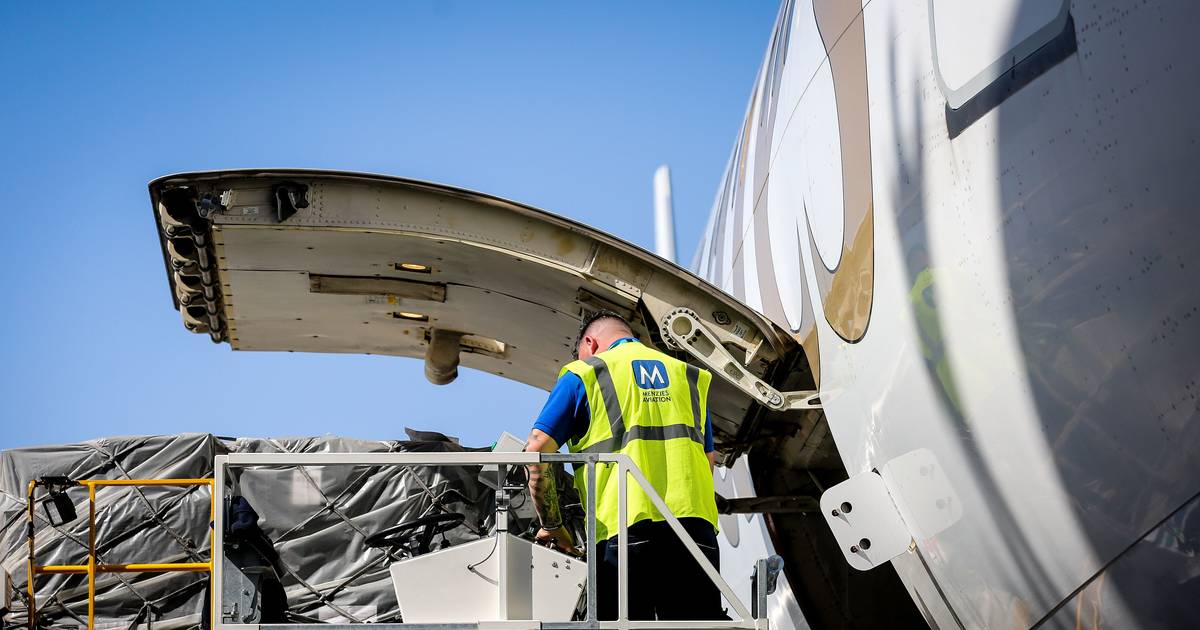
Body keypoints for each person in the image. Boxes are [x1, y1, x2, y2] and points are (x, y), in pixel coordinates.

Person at [523, 310, 724, 620]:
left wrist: (552, 525)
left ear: (589, 343)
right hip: (694, 531)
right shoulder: (688, 376)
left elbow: (536, 450)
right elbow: (708, 461)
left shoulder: (585, 373)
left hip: (623, 529)